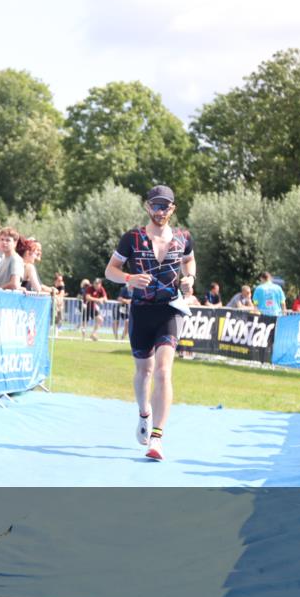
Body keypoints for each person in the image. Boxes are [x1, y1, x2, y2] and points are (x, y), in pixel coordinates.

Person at [104, 184, 195, 462]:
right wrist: (130, 279)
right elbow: (111, 271)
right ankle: (144, 413)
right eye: (155, 205)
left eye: (165, 206)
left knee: (163, 371)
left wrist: (190, 279)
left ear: (172, 209)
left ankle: (157, 438)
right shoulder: (131, 238)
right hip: (141, 311)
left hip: (169, 310)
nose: (159, 210)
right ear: (147, 207)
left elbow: (190, 263)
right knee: (144, 371)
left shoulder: (183, 237)